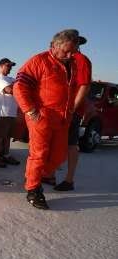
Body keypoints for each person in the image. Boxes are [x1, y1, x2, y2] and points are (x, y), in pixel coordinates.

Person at [13, 29, 80, 209]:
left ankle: (39, 175)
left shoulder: (72, 64)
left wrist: (71, 111)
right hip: (41, 116)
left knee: (59, 155)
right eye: (67, 50)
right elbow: (19, 87)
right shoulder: (39, 61)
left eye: (73, 50)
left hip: (63, 118)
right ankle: (33, 190)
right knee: (39, 154)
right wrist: (31, 111)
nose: (70, 54)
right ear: (54, 46)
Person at [45, 32, 92, 191]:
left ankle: (69, 180)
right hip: (60, 109)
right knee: (55, 143)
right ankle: (50, 174)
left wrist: (73, 108)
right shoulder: (66, 60)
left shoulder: (81, 60)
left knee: (70, 144)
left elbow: (85, 85)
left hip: (71, 111)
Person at [0, 58, 20, 167]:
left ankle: (5, 155)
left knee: (7, 136)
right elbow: (9, 90)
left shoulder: (10, 78)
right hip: (1, 113)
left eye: (11, 66)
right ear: (1, 66)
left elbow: (19, 85)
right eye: (8, 66)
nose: (10, 68)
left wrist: (17, 83)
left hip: (11, 113)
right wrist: (17, 84)